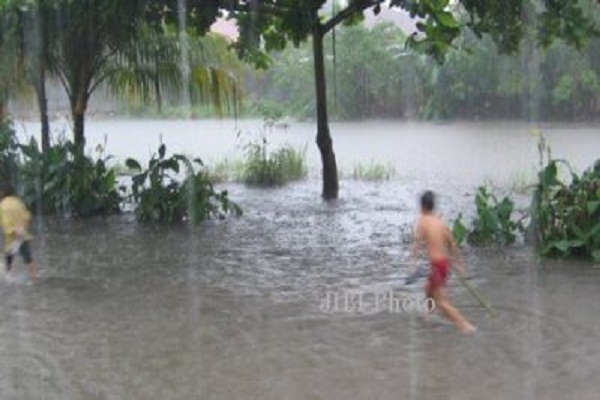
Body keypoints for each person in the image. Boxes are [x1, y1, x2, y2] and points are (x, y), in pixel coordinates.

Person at [411, 190, 476, 334]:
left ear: (422, 207)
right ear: (433, 206)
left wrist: (413, 262)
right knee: (428, 290)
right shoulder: (440, 222)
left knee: (442, 302)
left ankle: (464, 325)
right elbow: (453, 244)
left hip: (436, 265)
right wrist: (459, 264)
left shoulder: (423, 221)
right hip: (444, 264)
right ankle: (429, 316)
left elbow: (416, 244)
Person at [0, 183, 38, 281]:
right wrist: (22, 227)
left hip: (13, 235)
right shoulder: (18, 202)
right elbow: (28, 216)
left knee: (9, 255)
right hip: (23, 235)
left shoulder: (3, 205)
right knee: (28, 257)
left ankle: (7, 276)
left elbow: (5, 221)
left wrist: (12, 230)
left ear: (2, 193)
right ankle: (34, 278)